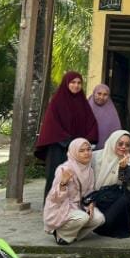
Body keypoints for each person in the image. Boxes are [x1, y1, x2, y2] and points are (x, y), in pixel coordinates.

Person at [36, 71, 98, 199]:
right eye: (73, 82)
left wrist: (85, 142)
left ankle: (73, 206)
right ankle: (52, 205)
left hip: (77, 150)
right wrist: (67, 141)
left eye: (79, 83)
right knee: (56, 177)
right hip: (58, 148)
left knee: (76, 178)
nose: (76, 85)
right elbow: (52, 124)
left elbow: (92, 123)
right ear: (66, 83)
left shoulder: (83, 103)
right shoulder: (57, 102)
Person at [43, 138, 104, 245]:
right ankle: (60, 234)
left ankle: (73, 235)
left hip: (79, 205)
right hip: (62, 206)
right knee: (82, 218)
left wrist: (91, 203)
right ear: (74, 152)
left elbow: (89, 192)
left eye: (88, 149)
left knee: (99, 218)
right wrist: (63, 183)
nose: (86, 153)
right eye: (81, 151)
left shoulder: (89, 170)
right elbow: (55, 197)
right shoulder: (64, 169)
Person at [91, 130, 130, 238]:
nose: (124, 147)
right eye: (120, 143)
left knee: (125, 198)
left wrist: (123, 168)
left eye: (127, 145)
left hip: (113, 197)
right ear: (113, 142)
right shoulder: (95, 156)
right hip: (95, 197)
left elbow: (122, 181)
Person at [87, 83, 121, 151]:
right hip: (85, 149)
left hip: (106, 151)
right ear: (94, 93)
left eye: (105, 94)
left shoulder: (112, 112)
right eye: (99, 93)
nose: (101, 97)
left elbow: (116, 132)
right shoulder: (85, 109)